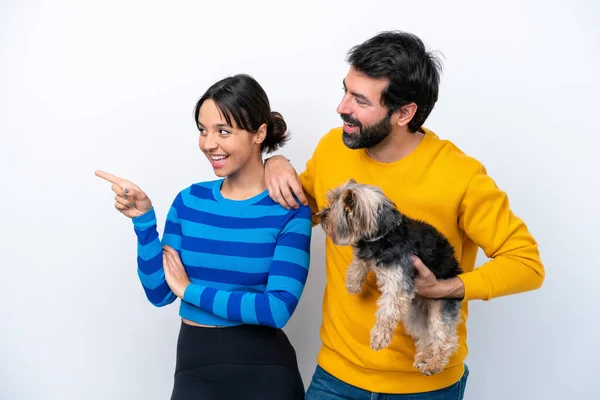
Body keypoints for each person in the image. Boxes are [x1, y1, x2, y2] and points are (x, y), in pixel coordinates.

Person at [264, 31, 545, 399]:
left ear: (404, 112)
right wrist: (273, 163)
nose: (341, 107)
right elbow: (300, 207)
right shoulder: (333, 147)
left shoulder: (460, 174)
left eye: (359, 100)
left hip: (426, 387)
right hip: (335, 377)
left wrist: (446, 288)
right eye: (346, 90)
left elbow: (527, 263)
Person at [95, 74, 312, 400]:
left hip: (265, 374)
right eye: (203, 129)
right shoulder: (189, 201)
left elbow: (276, 309)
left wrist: (190, 290)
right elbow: (159, 292)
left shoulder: (289, 209)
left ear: (259, 133)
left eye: (223, 131)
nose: (209, 143)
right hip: (194, 367)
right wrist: (143, 221)